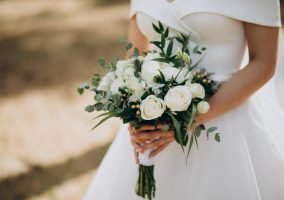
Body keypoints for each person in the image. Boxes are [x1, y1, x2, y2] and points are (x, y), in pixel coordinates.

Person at [84, 0, 284, 199]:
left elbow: (264, 63)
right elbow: (135, 56)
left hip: (227, 127)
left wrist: (187, 121)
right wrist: (136, 114)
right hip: (156, 124)